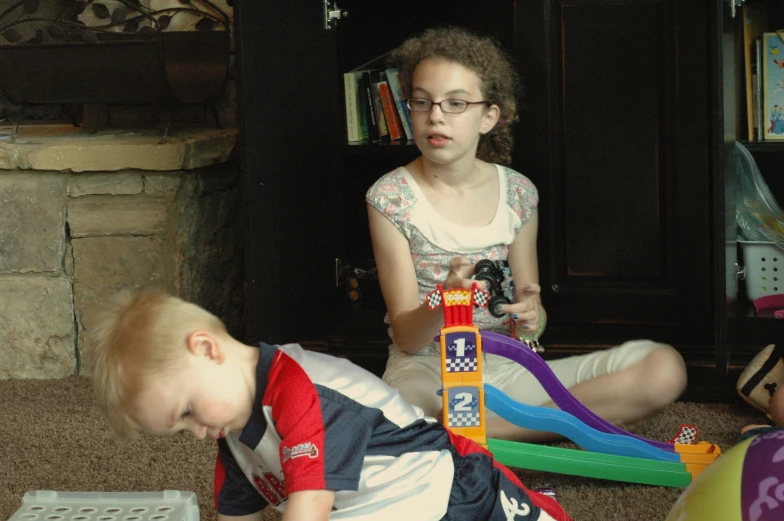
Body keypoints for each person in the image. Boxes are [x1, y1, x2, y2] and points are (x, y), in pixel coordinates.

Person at [366, 26, 688, 443]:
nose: (436, 116)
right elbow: (408, 340)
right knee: (411, 417)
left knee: (664, 368)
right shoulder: (390, 197)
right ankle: (526, 428)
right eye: (422, 102)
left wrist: (533, 317)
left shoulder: (517, 194)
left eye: (456, 103)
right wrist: (445, 303)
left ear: (489, 116)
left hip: (506, 371)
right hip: (428, 374)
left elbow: (529, 324)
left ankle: (484, 432)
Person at [86, 290, 572, 521]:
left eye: (188, 411)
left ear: (207, 349)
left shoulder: (299, 389)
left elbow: (310, 509)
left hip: (445, 495)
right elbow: (236, 516)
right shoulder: (231, 434)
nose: (194, 433)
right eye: (180, 429)